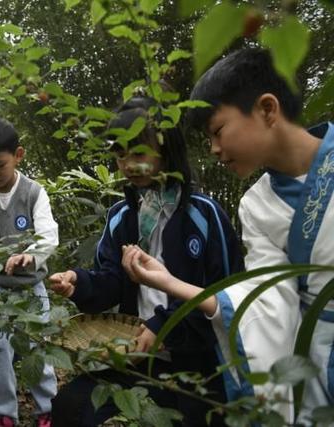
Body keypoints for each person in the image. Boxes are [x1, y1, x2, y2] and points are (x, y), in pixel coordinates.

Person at [121, 48, 334, 424]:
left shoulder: (203, 212)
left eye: (218, 131)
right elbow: (267, 304)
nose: (216, 150)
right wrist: (170, 283)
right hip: (316, 365)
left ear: (267, 109)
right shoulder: (257, 206)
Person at [49, 96, 244, 426]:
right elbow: (111, 280)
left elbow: (227, 294)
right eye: (119, 155)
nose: (127, 165)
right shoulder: (121, 217)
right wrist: (78, 283)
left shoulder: (204, 216)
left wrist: (163, 326)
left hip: (198, 365)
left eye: (138, 153)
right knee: (71, 405)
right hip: (136, 356)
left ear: (167, 151)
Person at [0, 117, 57, 427]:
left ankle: (47, 409)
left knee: (37, 346)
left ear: (18, 155)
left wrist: (27, 257)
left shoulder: (33, 192)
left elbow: (47, 236)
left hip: (32, 287)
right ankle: (3, 414)